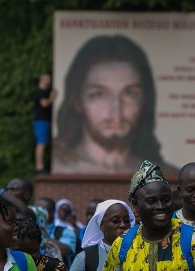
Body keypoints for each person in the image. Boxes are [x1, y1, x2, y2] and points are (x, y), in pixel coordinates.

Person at [53, 35, 172, 175]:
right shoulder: (59, 167)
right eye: (98, 94)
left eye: (130, 94)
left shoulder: (162, 174)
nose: (116, 112)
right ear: (77, 101)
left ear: (145, 99)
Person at [34, 73, 57, 173]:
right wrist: (52, 96)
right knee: (41, 143)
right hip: (41, 121)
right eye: (47, 78)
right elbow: (45, 104)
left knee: (44, 143)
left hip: (45, 121)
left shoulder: (44, 92)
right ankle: (39, 167)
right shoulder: (40, 92)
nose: (50, 80)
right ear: (42, 79)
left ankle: (41, 166)